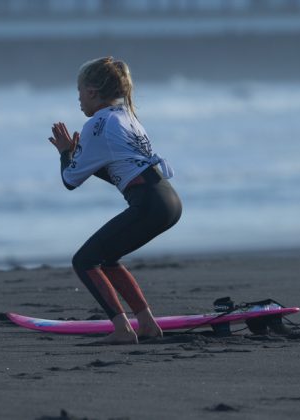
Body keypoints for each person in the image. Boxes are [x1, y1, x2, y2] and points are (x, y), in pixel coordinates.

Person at [48, 56, 182, 344]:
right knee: (107, 259)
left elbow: (70, 180)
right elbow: (120, 173)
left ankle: (122, 329)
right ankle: (146, 324)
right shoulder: (125, 116)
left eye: (80, 92)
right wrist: (77, 155)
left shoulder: (97, 124)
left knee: (84, 261)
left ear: (93, 92)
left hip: (149, 204)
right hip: (166, 200)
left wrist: (65, 153)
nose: (79, 100)